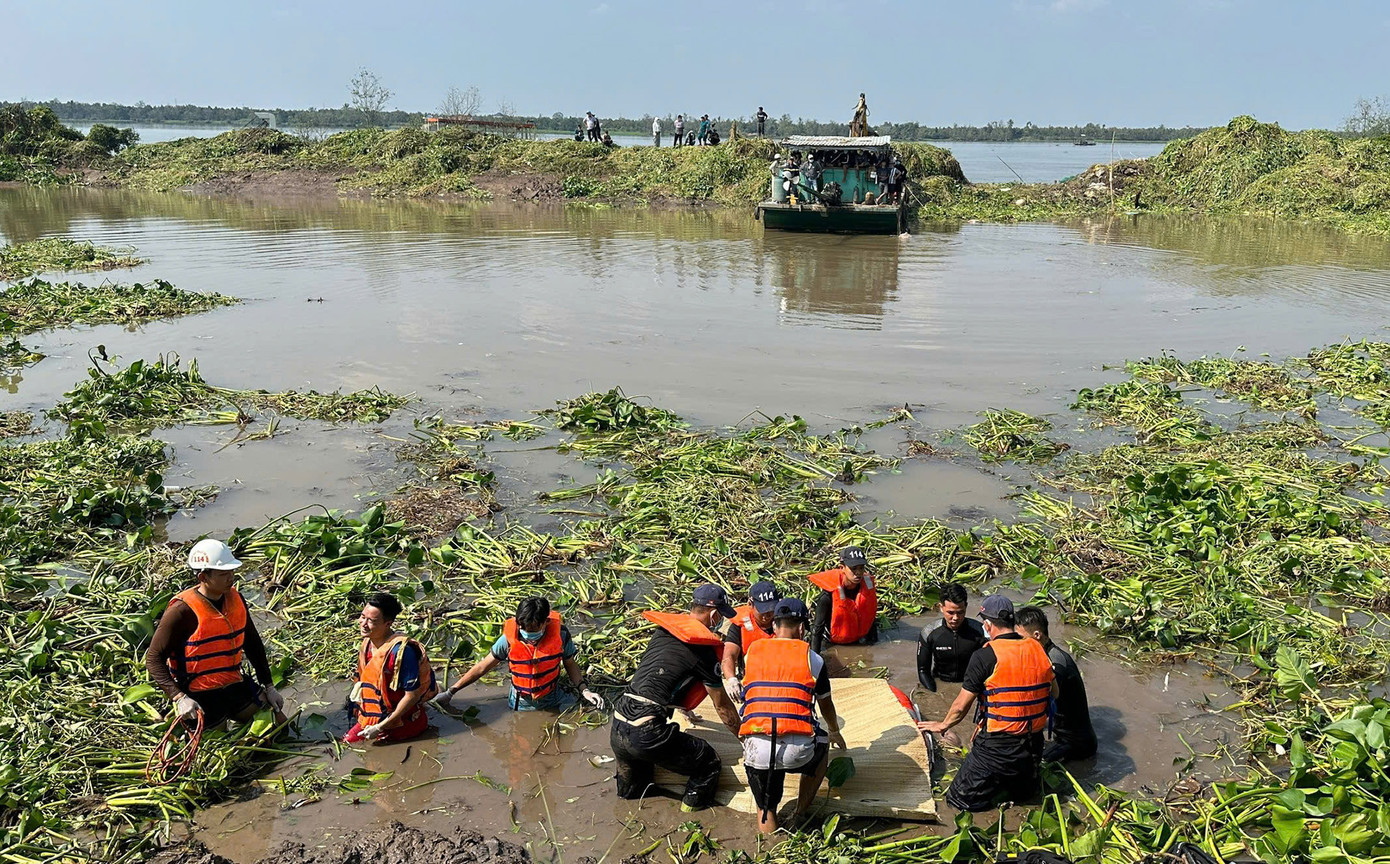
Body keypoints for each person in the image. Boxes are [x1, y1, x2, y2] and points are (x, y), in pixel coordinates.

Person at [610, 584, 743, 812]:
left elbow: (661, 676)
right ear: (713, 615)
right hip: (647, 732)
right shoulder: (703, 650)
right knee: (708, 763)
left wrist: (683, 708)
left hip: (618, 725)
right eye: (721, 616)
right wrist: (744, 738)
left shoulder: (663, 632)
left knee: (633, 795)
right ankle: (691, 816)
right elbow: (722, 707)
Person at [918, 595, 1057, 812]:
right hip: (1033, 747)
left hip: (998, 747)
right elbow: (1054, 693)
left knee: (957, 800)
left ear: (988, 624)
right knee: (1023, 794)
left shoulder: (985, 655)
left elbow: (960, 706)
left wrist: (942, 725)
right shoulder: (1037, 648)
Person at [145, 538, 287, 728]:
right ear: (203, 577)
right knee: (218, 743)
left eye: (231, 571)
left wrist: (269, 686)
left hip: (233, 683)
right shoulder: (181, 611)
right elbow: (153, 658)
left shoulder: (236, 599)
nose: (231, 578)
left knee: (276, 723)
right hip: (198, 692)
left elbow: (252, 644)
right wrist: (179, 698)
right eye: (223, 574)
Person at [738, 598, 846, 834]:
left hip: (757, 749)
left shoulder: (750, 654)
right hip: (797, 752)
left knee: (765, 811)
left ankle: (769, 840)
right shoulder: (813, 659)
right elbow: (826, 703)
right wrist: (835, 730)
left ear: (774, 628)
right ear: (801, 628)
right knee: (822, 743)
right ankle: (800, 813)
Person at [431, 597, 604, 713]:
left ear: (546, 622)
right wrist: (452, 692)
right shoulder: (508, 640)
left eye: (534, 629)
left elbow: (570, 663)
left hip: (553, 697)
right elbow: (483, 667)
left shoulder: (561, 635)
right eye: (523, 628)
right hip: (520, 703)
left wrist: (585, 690)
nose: (527, 633)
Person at [345, 592, 439, 743]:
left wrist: (380, 727)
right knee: (348, 741)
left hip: (402, 724)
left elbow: (412, 696)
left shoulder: (402, 652)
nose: (363, 624)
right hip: (371, 717)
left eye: (371, 621)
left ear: (387, 623)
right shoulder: (367, 643)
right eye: (362, 617)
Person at [1015, 606, 1097, 762]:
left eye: (1021, 638)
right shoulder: (1043, 656)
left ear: (1037, 635)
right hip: (1063, 735)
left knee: (1031, 764)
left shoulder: (1056, 664)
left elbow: (1039, 707)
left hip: (1075, 744)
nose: (1018, 644)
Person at [918, 584, 987, 692]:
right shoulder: (928, 633)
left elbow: (989, 668)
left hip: (970, 686)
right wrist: (933, 694)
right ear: (941, 607)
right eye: (950, 613)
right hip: (941, 682)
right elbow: (923, 671)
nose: (955, 618)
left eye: (960, 612)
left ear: (966, 606)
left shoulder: (980, 632)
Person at [809, 547, 878, 653]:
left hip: (859, 641)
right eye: (854, 568)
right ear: (842, 568)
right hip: (833, 643)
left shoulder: (867, 589)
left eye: (861, 568)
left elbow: (871, 617)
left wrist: (875, 646)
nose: (858, 573)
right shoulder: (827, 596)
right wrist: (815, 659)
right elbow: (817, 630)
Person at [721, 580, 781, 701]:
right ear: (750, 604)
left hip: (780, 681)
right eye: (762, 610)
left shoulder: (785, 621)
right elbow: (729, 655)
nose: (766, 615)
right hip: (751, 682)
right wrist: (731, 679)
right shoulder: (740, 625)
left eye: (770, 610)